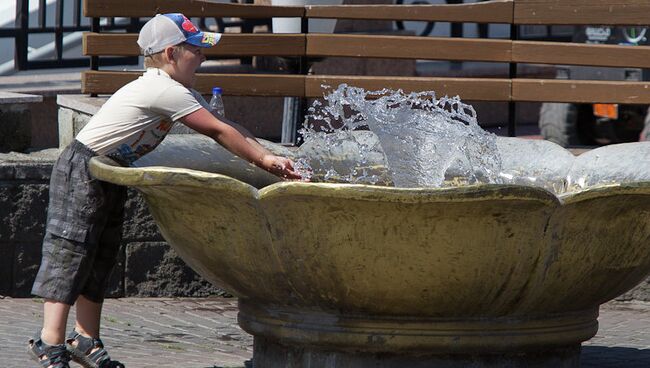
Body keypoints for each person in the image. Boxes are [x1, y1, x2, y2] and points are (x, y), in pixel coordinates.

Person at [28, 13, 301, 368]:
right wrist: (265, 162)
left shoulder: (179, 90)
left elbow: (228, 124)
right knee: (72, 248)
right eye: (196, 49)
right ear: (171, 53)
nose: (203, 56)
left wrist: (273, 155)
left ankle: (85, 338)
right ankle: (49, 341)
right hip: (81, 167)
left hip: (109, 171)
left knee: (102, 253)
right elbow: (218, 131)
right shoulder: (162, 89)